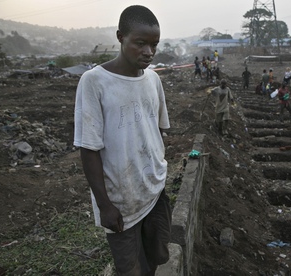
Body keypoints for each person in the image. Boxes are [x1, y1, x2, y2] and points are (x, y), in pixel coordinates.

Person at [73, 5, 171, 276]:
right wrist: (105, 204)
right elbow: (88, 148)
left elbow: (159, 129)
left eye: (154, 45)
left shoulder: (153, 79)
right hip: (120, 201)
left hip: (153, 190)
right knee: (129, 269)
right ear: (120, 37)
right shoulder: (95, 81)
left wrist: (158, 171)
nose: (148, 52)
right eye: (140, 43)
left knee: (157, 256)